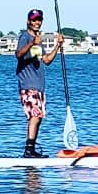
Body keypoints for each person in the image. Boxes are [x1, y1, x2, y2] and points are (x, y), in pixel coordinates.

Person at [14, 8, 64, 157]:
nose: (37, 22)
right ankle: (29, 150)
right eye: (34, 20)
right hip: (28, 85)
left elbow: (47, 60)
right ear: (28, 21)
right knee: (35, 116)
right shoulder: (25, 37)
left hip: (39, 86)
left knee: (39, 117)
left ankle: (32, 149)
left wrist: (57, 45)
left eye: (39, 20)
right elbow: (18, 55)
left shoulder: (38, 40)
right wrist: (31, 44)